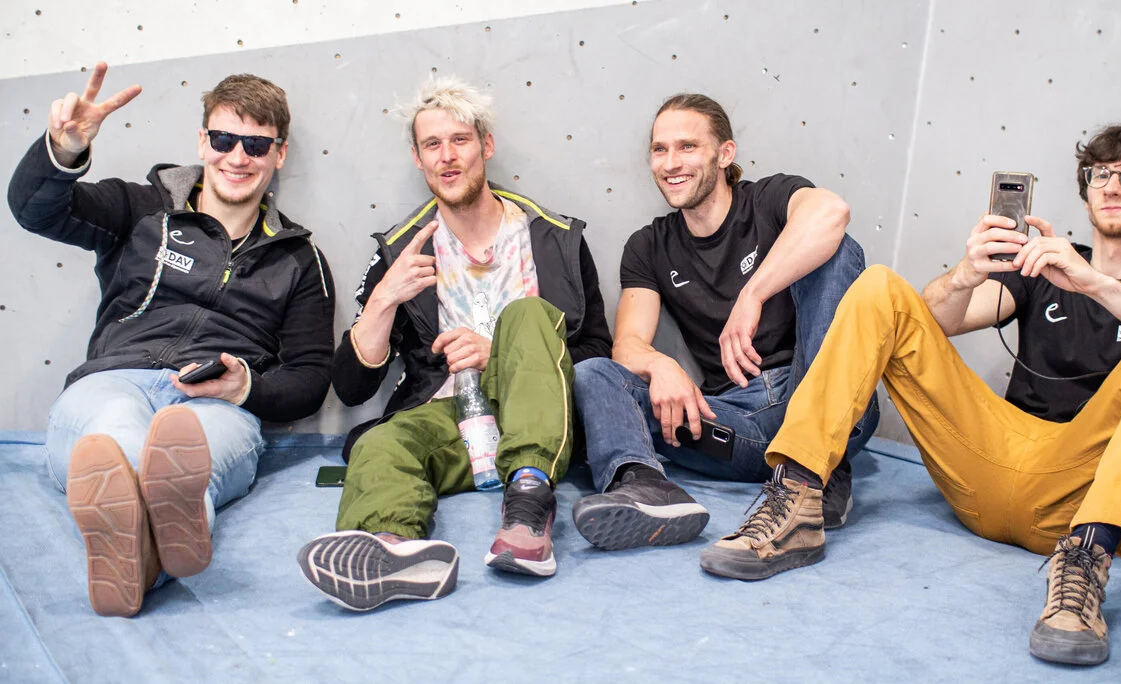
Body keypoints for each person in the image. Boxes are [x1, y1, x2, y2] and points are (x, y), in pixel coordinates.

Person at [703, 120, 1121, 666]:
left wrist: (1094, 283)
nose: (1109, 186)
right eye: (1100, 173)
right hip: (988, 458)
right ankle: (796, 500)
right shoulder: (1042, 265)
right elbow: (924, 325)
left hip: (1082, 485)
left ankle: (1084, 569)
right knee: (881, 288)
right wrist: (965, 275)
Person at [7, 63, 335, 618]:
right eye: (225, 139)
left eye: (256, 145)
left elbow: (310, 378)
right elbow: (35, 209)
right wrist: (63, 151)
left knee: (186, 452)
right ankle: (167, 546)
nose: (238, 157)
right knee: (113, 433)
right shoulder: (139, 209)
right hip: (115, 380)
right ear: (203, 141)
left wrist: (245, 388)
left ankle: (131, 551)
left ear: (279, 154)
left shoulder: (299, 260)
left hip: (215, 404)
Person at [297, 77, 612, 610]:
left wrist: (504, 357)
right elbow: (351, 389)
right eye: (432, 145)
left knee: (528, 315)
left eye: (460, 140)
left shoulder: (555, 239)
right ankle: (391, 553)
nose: (447, 157)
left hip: (539, 417)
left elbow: (599, 356)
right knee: (379, 443)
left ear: (486, 146)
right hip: (454, 422)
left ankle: (529, 505)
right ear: (418, 160)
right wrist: (384, 300)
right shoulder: (401, 250)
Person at [570, 93, 879, 551]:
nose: (671, 163)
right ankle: (646, 488)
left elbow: (832, 213)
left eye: (688, 147)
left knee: (840, 251)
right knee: (592, 372)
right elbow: (628, 346)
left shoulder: (768, 199)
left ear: (724, 153)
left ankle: (817, 465)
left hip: (815, 396)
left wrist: (753, 293)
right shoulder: (649, 246)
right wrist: (660, 365)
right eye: (660, 149)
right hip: (735, 424)